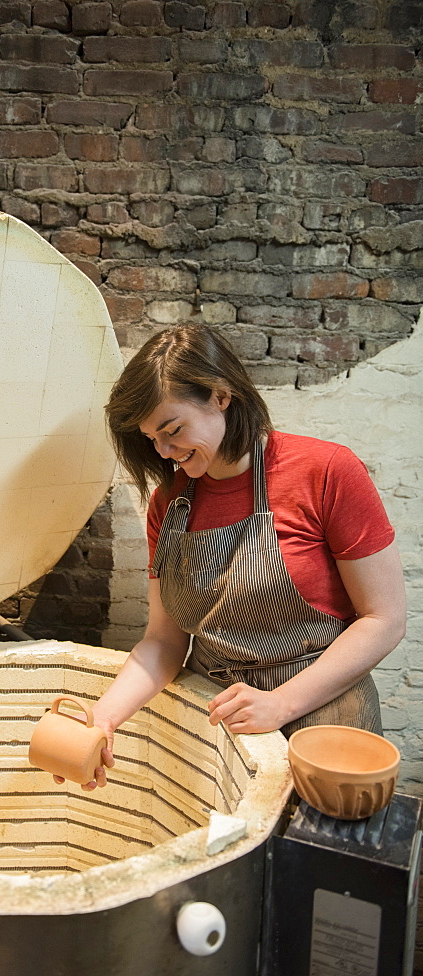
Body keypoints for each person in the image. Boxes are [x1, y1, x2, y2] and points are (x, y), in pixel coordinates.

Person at [56, 322, 406, 791]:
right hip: (216, 703)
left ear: (220, 395)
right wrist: (101, 719)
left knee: (317, 852)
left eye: (172, 430)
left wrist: (279, 703)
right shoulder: (169, 504)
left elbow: (384, 618)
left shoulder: (325, 472)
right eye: (151, 439)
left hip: (321, 697)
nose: (163, 451)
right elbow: (163, 641)